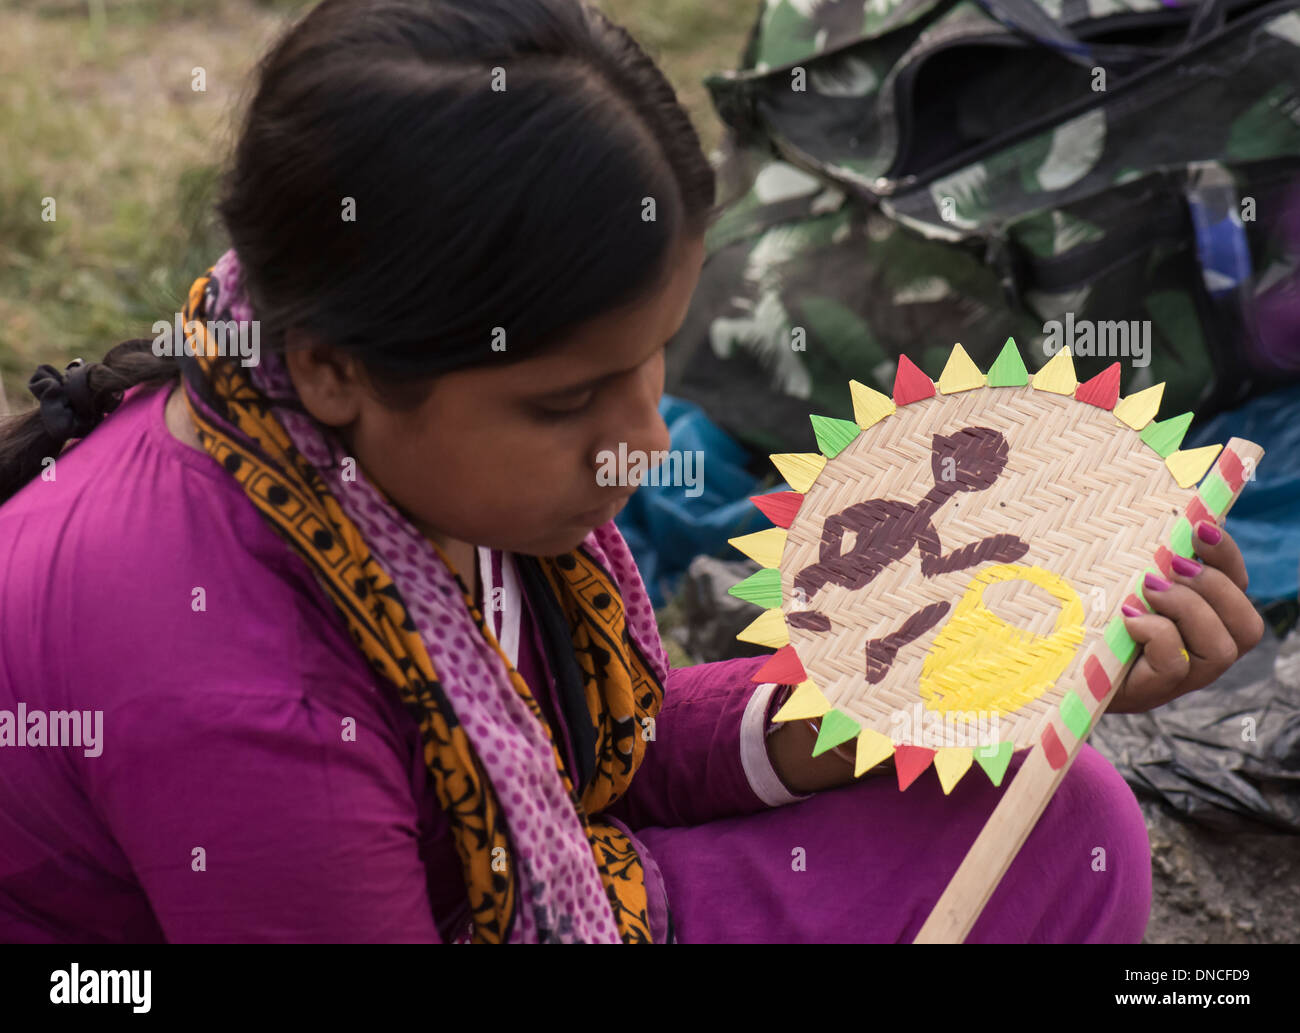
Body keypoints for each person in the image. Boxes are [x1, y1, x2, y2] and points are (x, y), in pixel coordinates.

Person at [0, 0, 1265, 944]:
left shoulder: (351, 431)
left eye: (653, 362)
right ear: (334, 368)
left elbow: (590, 758)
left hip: (512, 882)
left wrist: (921, 689)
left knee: (1056, 826)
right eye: (566, 401)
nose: (645, 443)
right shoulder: (242, 695)